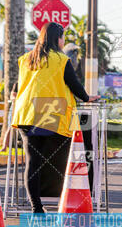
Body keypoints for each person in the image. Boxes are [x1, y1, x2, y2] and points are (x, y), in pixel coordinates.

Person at [12, 22, 98, 213]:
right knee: (67, 157)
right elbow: (74, 84)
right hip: (51, 112)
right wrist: (87, 97)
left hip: (27, 114)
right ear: (56, 38)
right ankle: (67, 202)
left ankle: (37, 207)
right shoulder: (61, 59)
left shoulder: (26, 59)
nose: (63, 41)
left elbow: (19, 86)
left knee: (33, 161)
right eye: (62, 37)